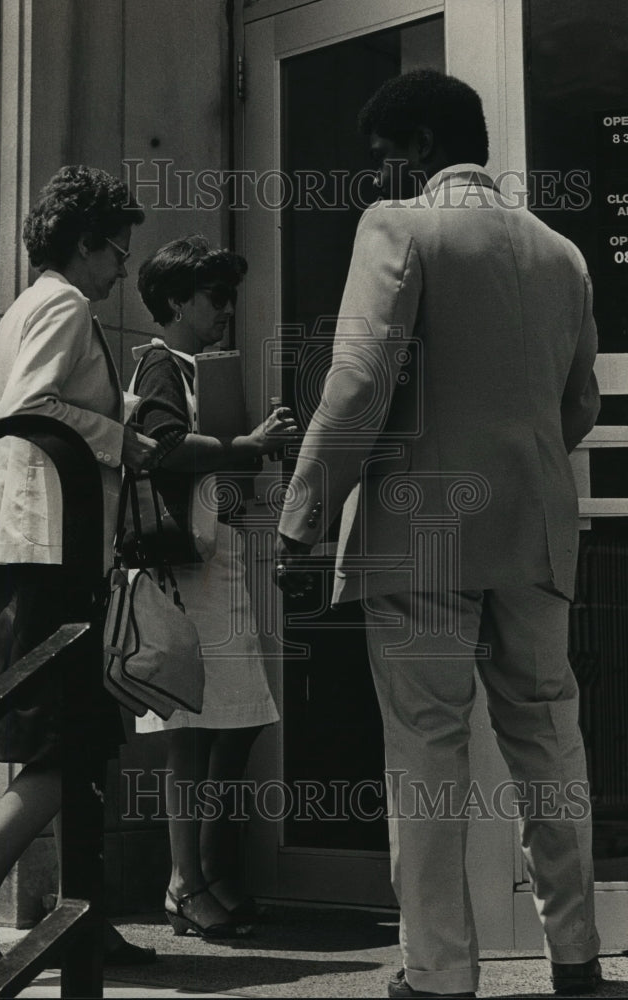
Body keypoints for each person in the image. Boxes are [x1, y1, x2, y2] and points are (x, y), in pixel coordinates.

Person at [275, 70, 601, 998]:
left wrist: (302, 518)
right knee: (550, 743)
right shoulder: (563, 254)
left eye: (385, 159)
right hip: (535, 535)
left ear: (417, 148)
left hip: (420, 535)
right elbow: (582, 402)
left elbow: (359, 388)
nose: (380, 178)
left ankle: (441, 973)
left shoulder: (400, 229)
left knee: (426, 752)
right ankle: (576, 959)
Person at [0, 165, 158, 972]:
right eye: (117, 252)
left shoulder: (30, 307)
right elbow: (31, 406)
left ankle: (74, 909)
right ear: (84, 246)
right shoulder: (61, 303)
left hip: (31, 544)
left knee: (71, 735)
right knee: (73, 739)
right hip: (43, 548)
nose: (124, 269)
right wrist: (128, 439)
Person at [132, 235, 297, 939]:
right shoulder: (160, 365)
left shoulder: (193, 368)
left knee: (227, 722)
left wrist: (247, 451)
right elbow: (164, 448)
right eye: (213, 296)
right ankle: (186, 882)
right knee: (195, 734)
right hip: (189, 572)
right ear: (176, 302)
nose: (226, 309)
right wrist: (245, 447)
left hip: (211, 560)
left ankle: (200, 874)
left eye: (229, 296)